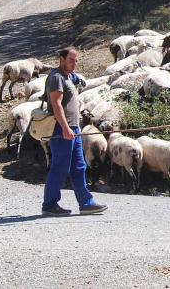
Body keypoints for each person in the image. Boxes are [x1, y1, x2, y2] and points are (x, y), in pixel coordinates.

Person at [41, 46, 107, 216]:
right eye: (71, 60)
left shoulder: (69, 76)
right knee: (59, 168)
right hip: (62, 129)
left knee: (79, 166)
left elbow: (76, 79)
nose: (74, 63)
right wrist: (64, 127)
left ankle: (86, 203)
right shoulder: (56, 78)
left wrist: (77, 79)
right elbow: (56, 104)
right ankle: (49, 204)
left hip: (74, 128)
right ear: (61, 59)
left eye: (76, 60)